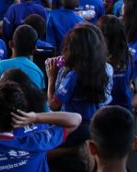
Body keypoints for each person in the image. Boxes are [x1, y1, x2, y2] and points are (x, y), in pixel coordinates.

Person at [47, 23, 113, 154]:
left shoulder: (73, 76)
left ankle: (71, 152)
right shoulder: (107, 68)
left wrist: (51, 77)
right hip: (98, 125)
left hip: (74, 128)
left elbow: (53, 105)